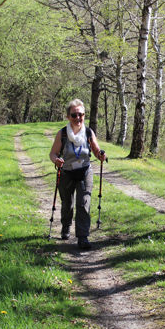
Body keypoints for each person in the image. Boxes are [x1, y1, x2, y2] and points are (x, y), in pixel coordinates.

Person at [49, 99, 107, 249]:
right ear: (68, 117)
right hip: (66, 172)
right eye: (74, 115)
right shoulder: (62, 134)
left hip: (84, 172)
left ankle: (83, 237)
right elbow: (53, 154)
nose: (78, 118)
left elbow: (95, 150)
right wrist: (56, 160)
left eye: (81, 114)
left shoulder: (88, 132)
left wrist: (101, 155)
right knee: (67, 204)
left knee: (83, 203)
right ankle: (66, 226)